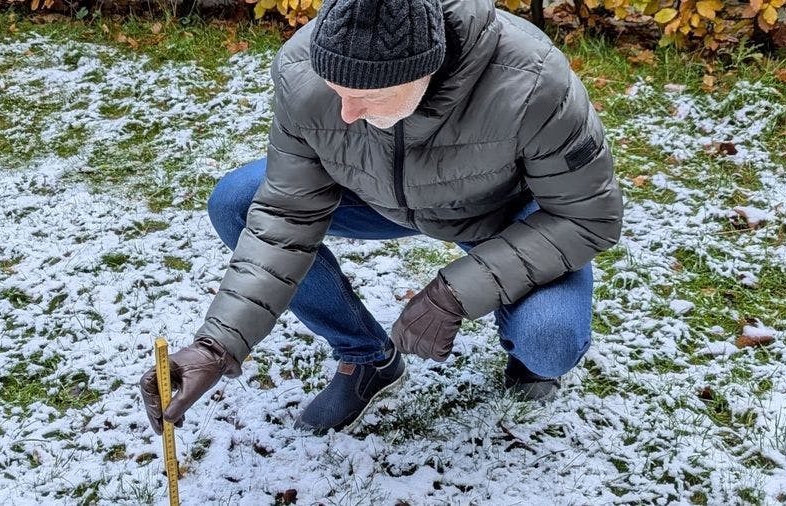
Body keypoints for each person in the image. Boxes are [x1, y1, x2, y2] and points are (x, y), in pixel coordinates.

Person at [140, 0, 623, 437]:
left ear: (426, 71)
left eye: (367, 97)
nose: (346, 113)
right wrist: (217, 346)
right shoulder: (303, 69)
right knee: (237, 202)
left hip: (497, 211)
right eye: (336, 91)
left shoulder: (533, 80)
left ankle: (529, 359)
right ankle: (366, 358)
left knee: (550, 340)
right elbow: (286, 213)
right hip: (375, 193)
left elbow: (587, 217)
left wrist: (456, 293)